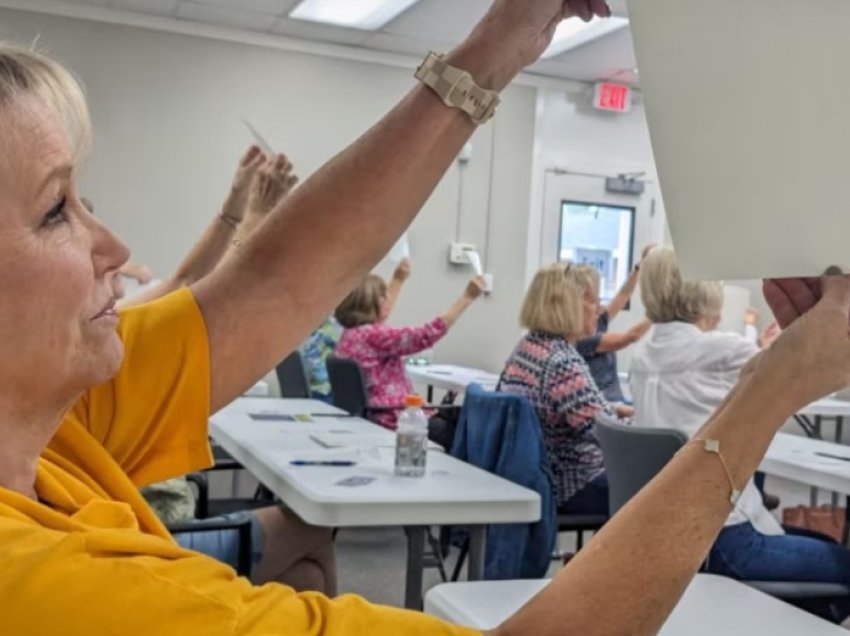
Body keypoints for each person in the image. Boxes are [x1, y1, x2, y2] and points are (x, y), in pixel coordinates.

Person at [7, 3, 850, 634]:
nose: (112, 244)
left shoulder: (50, 430)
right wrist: (776, 385)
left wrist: (501, 42)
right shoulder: (56, 591)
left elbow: (271, 283)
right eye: (55, 213)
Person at [629, 248, 850, 621]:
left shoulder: (641, 356)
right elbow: (801, 369)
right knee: (840, 562)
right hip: (727, 541)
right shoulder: (717, 348)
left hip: (664, 535)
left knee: (823, 547)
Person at [498, 263, 630, 517]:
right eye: (592, 301)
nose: (599, 309)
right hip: (572, 481)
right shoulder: (562, 361)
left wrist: (615, 409)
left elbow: (568, 408)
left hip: (537, 470)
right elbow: (605, 433)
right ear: (570, 306)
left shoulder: (528, 347)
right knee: (660, 490)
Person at [334, 271, 485, 435]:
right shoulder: (372, 336)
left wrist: (399, 278)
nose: (388, 301)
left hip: (380, 415)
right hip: (397, 420)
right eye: (384, 297)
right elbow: (426, 335)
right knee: (473, 428)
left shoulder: (349, 336)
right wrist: (467, 297)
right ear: (369, 303)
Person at [300, 258, 411, 402]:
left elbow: (379, 310)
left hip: (315, 391)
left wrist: (398, 278)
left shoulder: (328, 319)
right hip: (330, 396)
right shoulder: (351, 328)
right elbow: (379, 312)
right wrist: (398, 279)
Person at [575, 246, 654, 403]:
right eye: (592, 300)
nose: (599, 306)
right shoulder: (580, 339)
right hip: (605, 407)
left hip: (618, 401)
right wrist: (660, 311)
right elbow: (630, 337)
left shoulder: (597, 321)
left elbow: (623, 295)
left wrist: (639, 268)